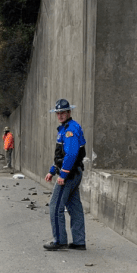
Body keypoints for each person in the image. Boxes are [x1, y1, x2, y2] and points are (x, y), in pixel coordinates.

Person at [43, 99, 87, 251]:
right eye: (58, 113)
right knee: (75, 208)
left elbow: (71, 154)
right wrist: (52, 170)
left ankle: (60, 240)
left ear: (69, 112)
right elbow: (61, 156)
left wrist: (62, 175)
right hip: (74, 172)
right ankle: (79, 242)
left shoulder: (70, 130)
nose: (60, 115)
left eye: (63, 112)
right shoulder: (65, 129)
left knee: (55, 207)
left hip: (70, 174)